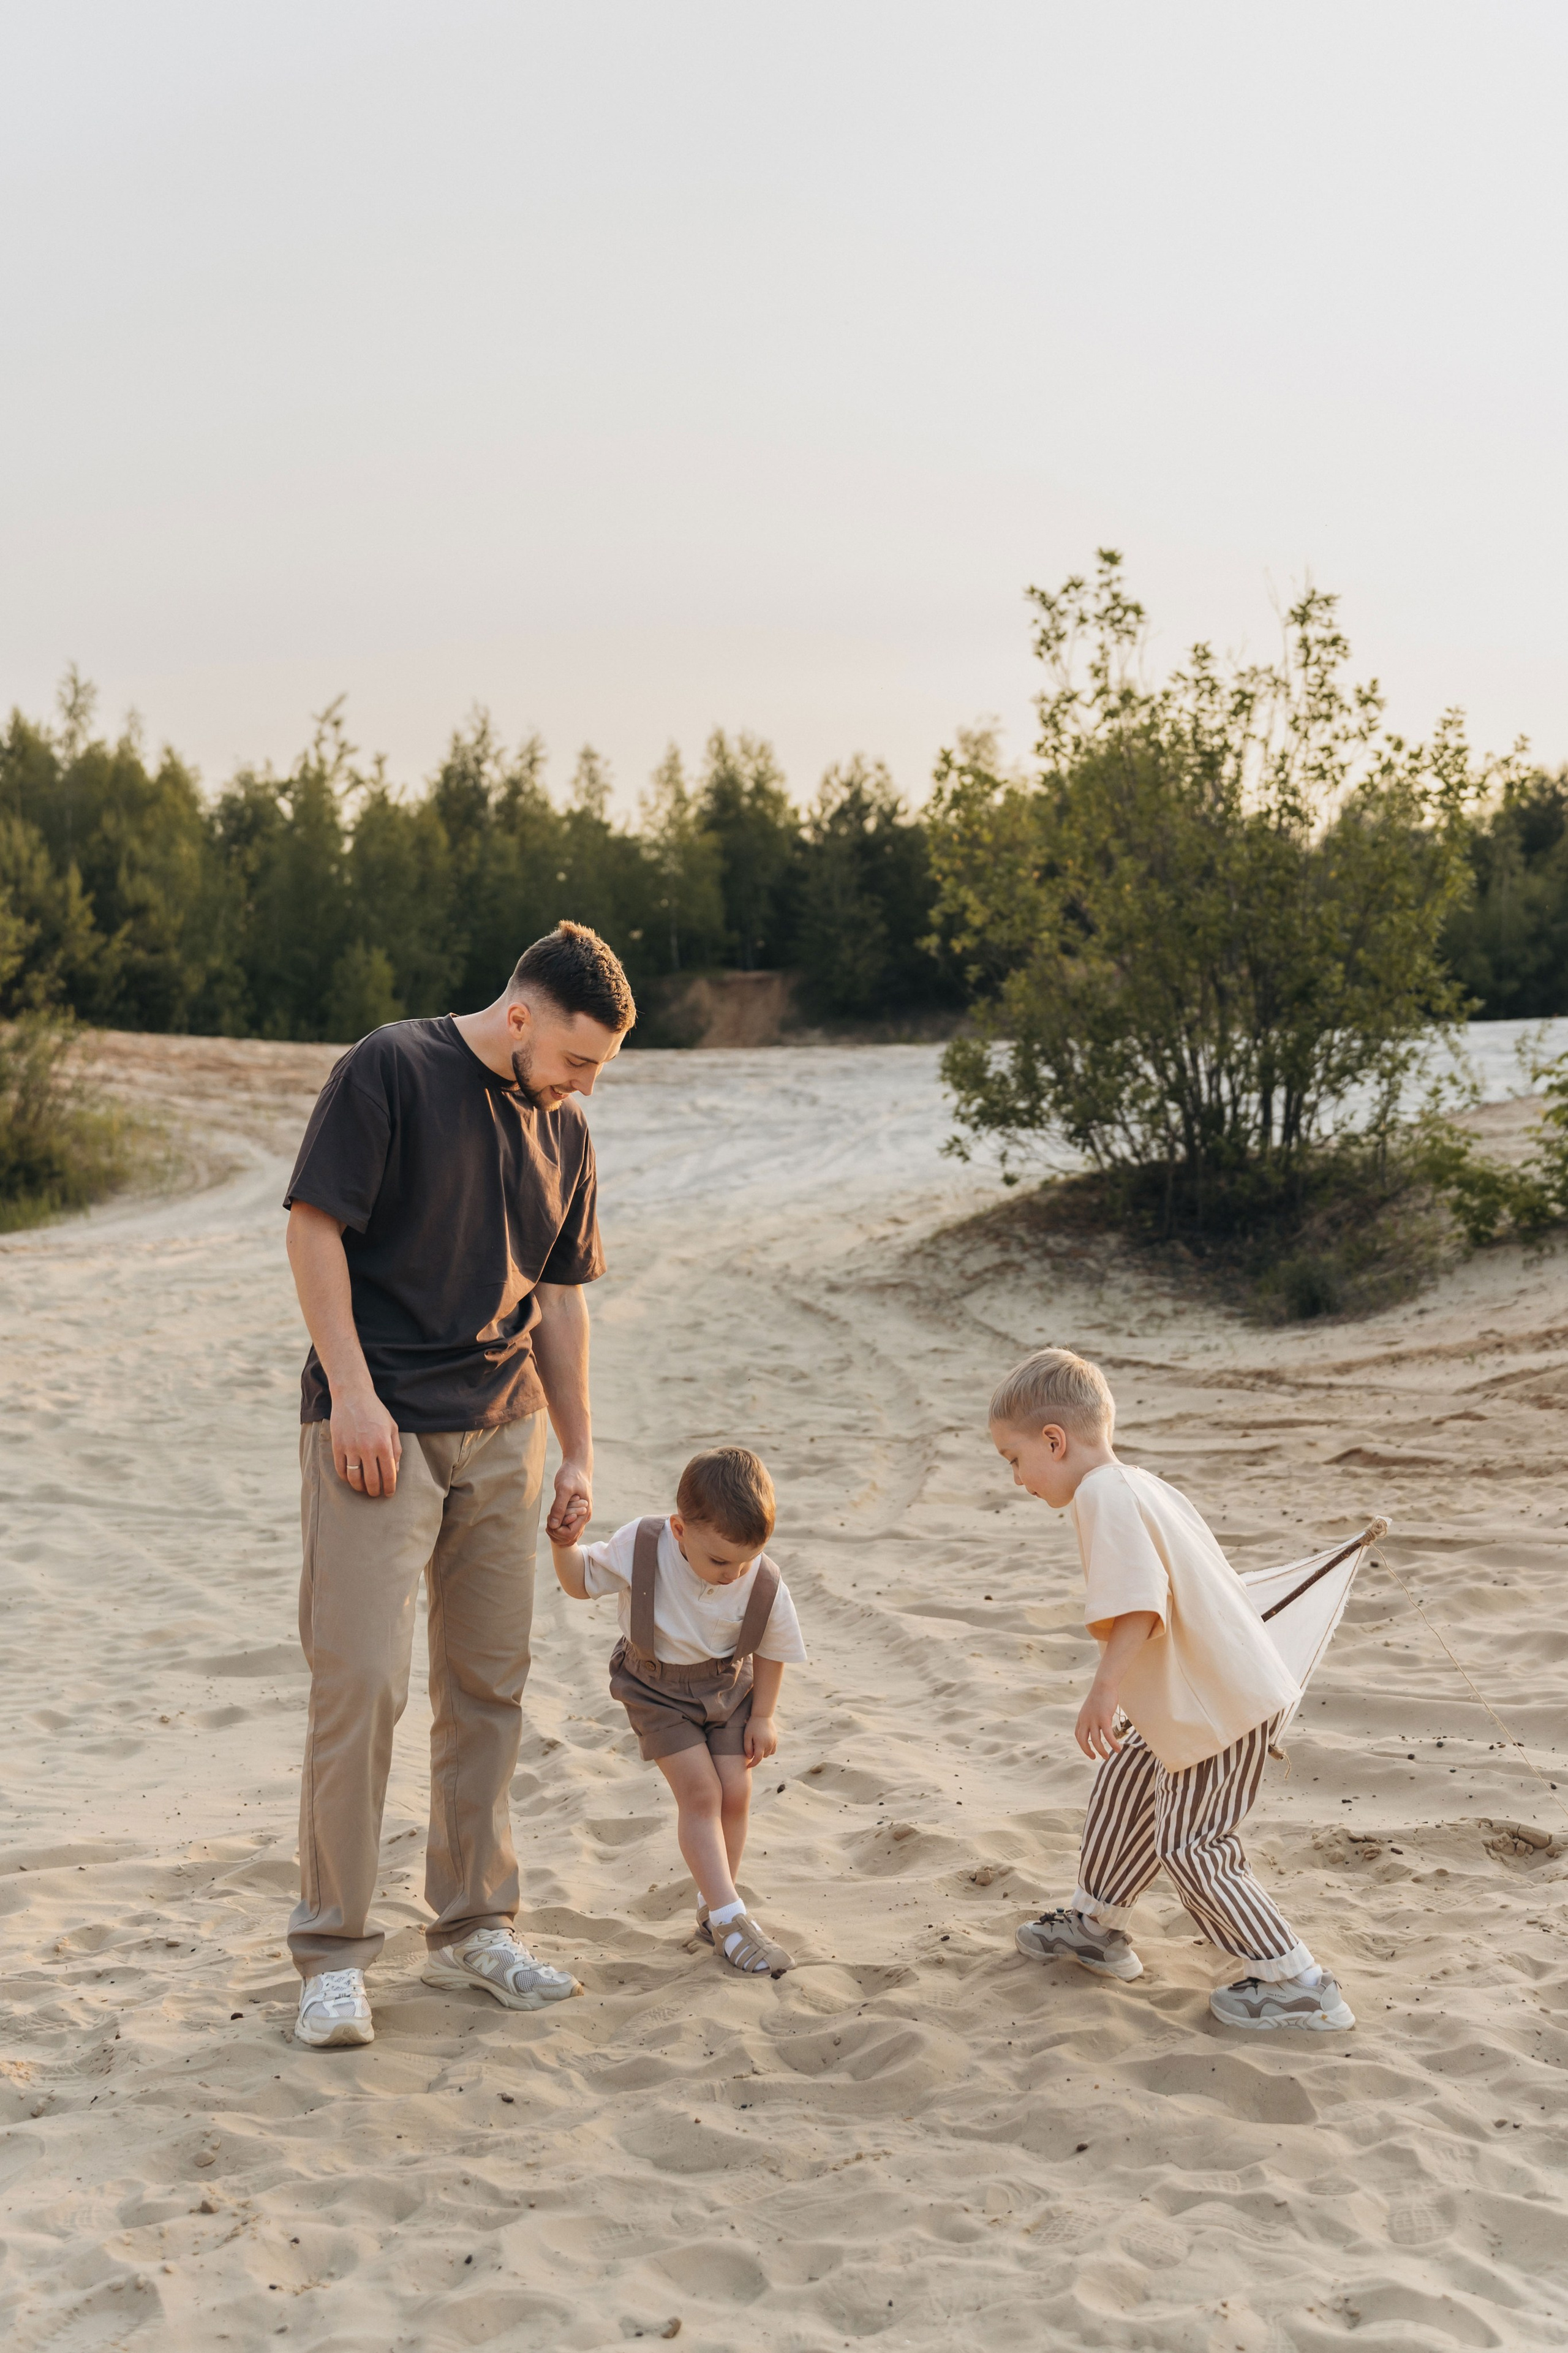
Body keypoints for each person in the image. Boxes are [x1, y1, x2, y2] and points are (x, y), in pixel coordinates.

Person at [281, 922, 635, 2049]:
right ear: (521, 1016)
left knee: (489, 1689)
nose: (586, 1085)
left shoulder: (567, 1128)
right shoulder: (390, 1065)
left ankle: (476, 1925)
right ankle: (334, 1956)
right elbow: (313, 1226)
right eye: (578, 1060)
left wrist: (576, 1450)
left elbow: (561, 1302)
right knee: (366, 1683)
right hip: (376, 1429)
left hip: (506, 1433)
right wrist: (352, 1392)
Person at [990, 1348, 1356, 2032]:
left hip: (1217, 1708)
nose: (1015, 1479)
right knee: (1125, 1789)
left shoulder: (1102, 1494)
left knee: (1192, 1844)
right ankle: (1095, 1925)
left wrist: (1103, 1690)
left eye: (1013, 1458)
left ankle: (1296, 1980)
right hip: (1195, 1701)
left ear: (1053, 1440)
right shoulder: (1141, 1484)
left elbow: (1139, 1600)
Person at [550, 1446, 807, 1977]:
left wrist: (764, 1715)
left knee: (736, 1790)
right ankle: (733, 1918)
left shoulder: (760, 1576)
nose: (733, 1574)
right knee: (702, 1792)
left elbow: (774, 1646)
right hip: (656, 1690)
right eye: (719, 1561)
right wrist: (565, 1545)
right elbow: (579, 1584)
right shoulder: (644, 1544)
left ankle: (715, 1909)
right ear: (680, 1529)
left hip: (730, 1688)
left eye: (744, 1561)